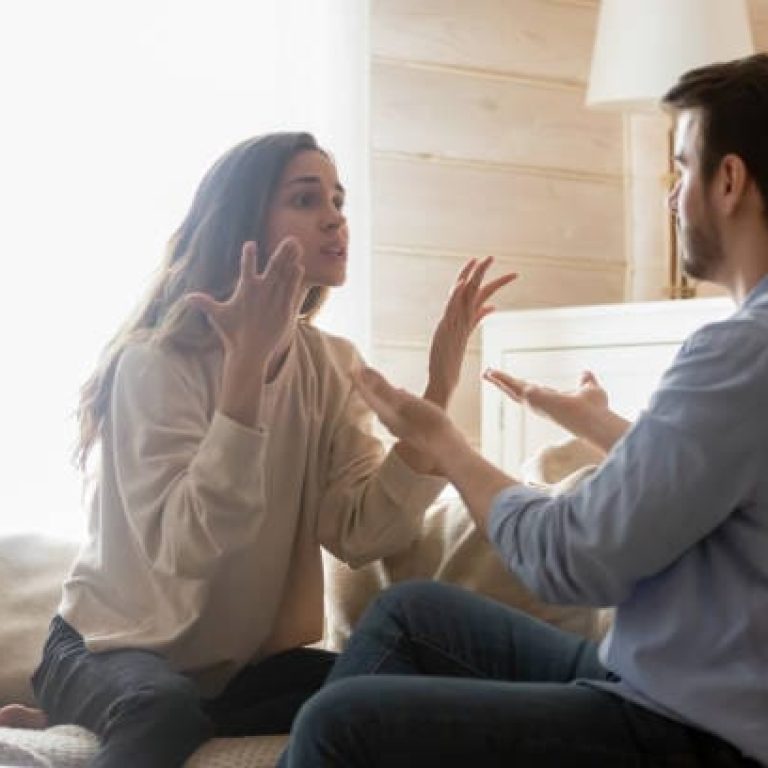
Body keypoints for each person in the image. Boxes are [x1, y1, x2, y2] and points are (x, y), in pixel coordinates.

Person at [277, 54, 768, 767]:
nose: (671, 197)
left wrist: (448, 446)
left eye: (682, 168)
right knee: (413, 614)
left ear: (729, 181)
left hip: (691, 735)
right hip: (664, 686)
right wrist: (601, 428)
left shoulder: (740, 352)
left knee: (340, 724)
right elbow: (720, 494)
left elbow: (574, 560)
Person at [27, 131, 515, 767]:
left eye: (338, 200)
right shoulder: (154, 362)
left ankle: (83, 715)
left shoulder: (331, 363)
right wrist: (245, 374)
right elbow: (188, 553)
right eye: (307, 199)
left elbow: (361, 533)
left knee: (392, 694)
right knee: (162, 708)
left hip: (233, 670)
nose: (335, 217)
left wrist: (436, 398)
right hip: (107, 649)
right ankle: (79, 701)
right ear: (244, 222)